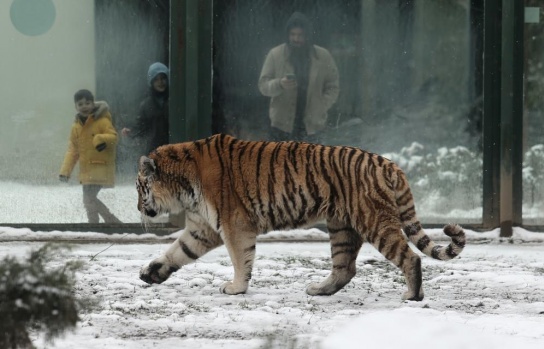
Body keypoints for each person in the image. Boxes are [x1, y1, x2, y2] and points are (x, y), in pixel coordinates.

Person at [258, 11, 340, 142]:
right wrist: (279, 84)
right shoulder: (275, 54)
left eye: (300, 35)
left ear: (308, 35)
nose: (296, 39)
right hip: (281, 128)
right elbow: (263, 86)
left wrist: (321, 105)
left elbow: (333, 87)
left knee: (311, 163)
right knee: (281, 163)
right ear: (287, 35)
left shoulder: (323, 56)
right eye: (292, 34)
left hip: (313, 128)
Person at [59, 89, 121, 224]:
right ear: (76, 107)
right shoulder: (76, 127)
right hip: (86, 171)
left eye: (87, 103)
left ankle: (100, 222)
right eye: (80, 104)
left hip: (100, 168)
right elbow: (73, 151)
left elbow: (114, 137)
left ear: (93, 104)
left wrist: (100, 138)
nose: (84, 106)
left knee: (88, 199)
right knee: (88, 200)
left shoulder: (102, 121)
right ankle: (98, 223)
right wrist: (65, 171)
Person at [121, 62, 170, 155]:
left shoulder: (174, 100)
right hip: (154, 149)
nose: (160, 82)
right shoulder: (146, 105)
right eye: (156, 79)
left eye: (163, 78)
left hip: (174, 147)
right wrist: (130, 131)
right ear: (151, 82)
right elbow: (141, 125)